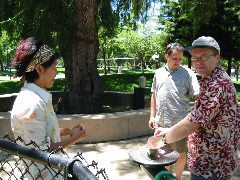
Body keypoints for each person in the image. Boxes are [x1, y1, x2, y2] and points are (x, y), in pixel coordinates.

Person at [154, 36, 240, 179]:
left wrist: (164, 140)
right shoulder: (211, 79)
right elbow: (197, 114)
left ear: (217, 57)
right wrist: (169, 130)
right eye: (194, 58)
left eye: (204, 56)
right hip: (208, 163)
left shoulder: (217, 85)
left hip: (211, 167)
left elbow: (191, 125)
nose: (198, 62)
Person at [10, 37, 86, 179]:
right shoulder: (32, 104)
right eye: (54, 67)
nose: (56, 72)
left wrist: (68, 131)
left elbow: (38, 134)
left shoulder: (33, 97)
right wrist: (75, 138)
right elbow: (43, 154)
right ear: (39, 69)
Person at [149, 42, 199, 179]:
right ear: (167, 56)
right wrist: (152, 116)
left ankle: (177, 178)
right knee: (164, 154)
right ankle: (167, 177)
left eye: (180, 59)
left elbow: (198, 98)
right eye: (174, 58)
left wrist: (191, 120)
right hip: (160, 122)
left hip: (179, 124)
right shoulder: (158, 73)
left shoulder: (188, 74)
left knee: (181, 154)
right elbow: (153, 95)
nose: (177, 61)